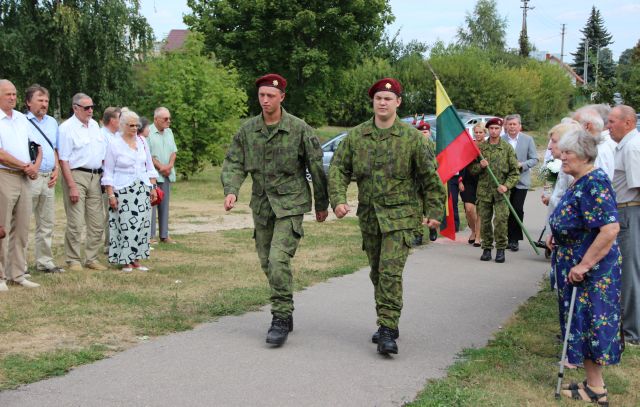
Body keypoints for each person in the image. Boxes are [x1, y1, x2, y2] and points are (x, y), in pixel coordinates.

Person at [329, 78, 445, 355]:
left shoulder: (413, 139)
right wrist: (338, 199)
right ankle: (386, 318)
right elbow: (338, 169)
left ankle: (388, 329)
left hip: (401, 217)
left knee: (391, 272)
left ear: (398, 103)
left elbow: (430, 178)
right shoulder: (356, 136)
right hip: (369, 217)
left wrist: (435, 211)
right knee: (377, 272)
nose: (383, 102)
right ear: (373, 102)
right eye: (378, 98)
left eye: (388, 99)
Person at [221, 73, 329, 346]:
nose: (265, 100)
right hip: (262, 205)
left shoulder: (299, 128)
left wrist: (322, 204)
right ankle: (286, 306)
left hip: (290, 204)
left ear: (282, 96)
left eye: (271, 95)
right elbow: (234, 162)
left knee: (278, 259)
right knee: (266, 261)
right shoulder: (248, 130)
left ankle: (280, 317)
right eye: (261, 95)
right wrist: (232, 190)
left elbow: (316, 167)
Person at [546, 129, 622, 405]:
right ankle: (593, 384)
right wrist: (558, 234)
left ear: (585, 154)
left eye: (567, 152)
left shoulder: (594, 182)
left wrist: (585, 264)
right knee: (581, 324)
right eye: (561, 151)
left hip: (590, 271)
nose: (561, 157)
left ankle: (597, 389)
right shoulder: (578, 180)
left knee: (590, 324)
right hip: (575, 263)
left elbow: (610, 228)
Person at [58, 92, 108, 272]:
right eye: (86, 107)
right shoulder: (66, 128)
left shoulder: (95, 125)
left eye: (92, 107)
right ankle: (72, 259)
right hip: (76, 175)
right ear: (75, 108)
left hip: (95, 176)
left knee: (97, 221)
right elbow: (63, 159)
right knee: (76, 221)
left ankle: (91, 258)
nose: (91, 110)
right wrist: (71, 185)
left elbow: (101, 153)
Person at [102, 110, 158, 272]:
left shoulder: (142, 141)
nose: (134, 128)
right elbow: (108, 171)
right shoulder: (114, 143)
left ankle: (137, 259)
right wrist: (111, 194)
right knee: (125, 225)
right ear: (122, 125)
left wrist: (153, 187)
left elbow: (149, 166)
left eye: (136, 125)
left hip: (142, 188)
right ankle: (125, 260)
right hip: (123, 189)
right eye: (131, 125)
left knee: (142, 225)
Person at [0, 79, 41, 291]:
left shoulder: (21, 119)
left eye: (14, 94)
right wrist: (25, 165)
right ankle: (0, 276)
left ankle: (17, 273)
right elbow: (1, 154)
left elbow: (37, 145)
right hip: (4, 175)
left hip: (25, 177)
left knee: (23, 227)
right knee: (2, 227)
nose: (13, 97)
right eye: (8, 94)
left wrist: (35, 166)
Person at [608, 105, 640, 346]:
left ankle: (632, 332)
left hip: (629, 210)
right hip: (625, 210)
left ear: (628, 123)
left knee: (629, 273)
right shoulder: (625, 145)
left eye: (612, 122)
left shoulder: (631, 147)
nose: (608, 126)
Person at [25, 84, 64, 273]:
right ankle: (19, 265)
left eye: (46, 100)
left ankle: (45, 262)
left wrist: (56, 168)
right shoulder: (22, 122)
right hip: (30, 178)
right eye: (39, 100)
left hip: (49, 177)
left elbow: (55, 148)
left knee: (46, 223)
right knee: (23, 222)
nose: (44, 104)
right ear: (28, 102)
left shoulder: (52, 122)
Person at [470, 117, 519, 263]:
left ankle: (501, 249)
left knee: (500, 221)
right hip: (484, 192)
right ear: (488, 130)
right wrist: (480, 166)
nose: (494, 131)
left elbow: (515, 172)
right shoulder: (480, 149)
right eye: (491, 128)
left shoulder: (507, 148)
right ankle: (486, 249)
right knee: (485, 221)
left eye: (497, 128)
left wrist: (506, 185)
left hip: (501, 192)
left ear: (500, 129)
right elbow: (471, 170)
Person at [501, 114, 538, 252]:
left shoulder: (527, 140)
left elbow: (534, 159)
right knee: (505, 211)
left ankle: (514, 239)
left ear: (519, 126)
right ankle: (504, 237)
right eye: (509, 124)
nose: (512, 127)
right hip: (504, 182)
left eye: (514, 124)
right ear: (506, 126)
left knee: (516, 209)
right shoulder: (501, 139)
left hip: (521, 181)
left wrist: (522, 164)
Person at [148, 107, 177, 244]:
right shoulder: (148, 132)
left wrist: (169, 166)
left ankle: (164, 235)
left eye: (169, 118)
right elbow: (147, 155)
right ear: (156, 119)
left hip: (167, 174)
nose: (168, 121)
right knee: (152, 204)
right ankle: (151, 236)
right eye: (165, 119)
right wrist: (160, 167)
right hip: (153, 175)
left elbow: (174, 151)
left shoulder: (169, 132)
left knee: (164, 205)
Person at [459, 123, 486, 247]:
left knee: (480, 210)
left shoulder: (488, 146)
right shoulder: (469, 146)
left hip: (483, 180)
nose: (478, 134)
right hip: (468, 180)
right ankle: (474, 230)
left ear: (485, 133)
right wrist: (460, 180)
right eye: (477, 132)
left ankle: (478, 236)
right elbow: (461, 164)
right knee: (469, 209)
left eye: (481, 132)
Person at [572, 107, 616, 180]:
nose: (571, 129)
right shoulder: (596, 147)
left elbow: (599, 182)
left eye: (574, 125)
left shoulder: (598, 150)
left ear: (587, 126)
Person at [100, 107, 122, 252]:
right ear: (112, 120)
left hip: (119, 178)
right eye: (120, 118)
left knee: (118, 211)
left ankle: (118, 241)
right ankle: (109, 243)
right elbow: (103, 159)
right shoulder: (102, 135)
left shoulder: (117, 135)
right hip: (108, 179)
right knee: (110, 211)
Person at [413, 120, 438, 244]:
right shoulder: (414, 146)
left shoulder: (433, 146)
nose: (424, 134)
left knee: (428, 209)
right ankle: (418, 235)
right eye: (421, 132)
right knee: (417, 209)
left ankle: (432, 228)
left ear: (429, 133)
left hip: (428, 183)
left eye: (426, 132)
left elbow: (436, 164)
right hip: (417, 183)